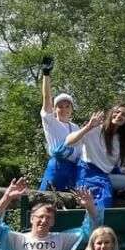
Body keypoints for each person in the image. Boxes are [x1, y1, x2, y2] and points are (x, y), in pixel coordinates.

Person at [67, 103, 125, 210]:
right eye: (117, 112)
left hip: (105, 176)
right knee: (101, 199)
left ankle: (117, 195)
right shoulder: (95, 130)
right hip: (88, 174)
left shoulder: (122, 140)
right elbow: (69, 142)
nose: (119, 115)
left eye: (124, 115)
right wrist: (89, 126)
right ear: (111, 113)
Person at [38, 59, 80, 191]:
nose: (64, 109)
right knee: (46, 204)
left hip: (73, 171)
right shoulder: (51, 122)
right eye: (60, 106)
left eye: (67, 106)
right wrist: (46, 74)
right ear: (54, 109)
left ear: (71, 109)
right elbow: (46, 98)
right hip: (57, 168)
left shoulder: (76, 128)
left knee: (70, 207)